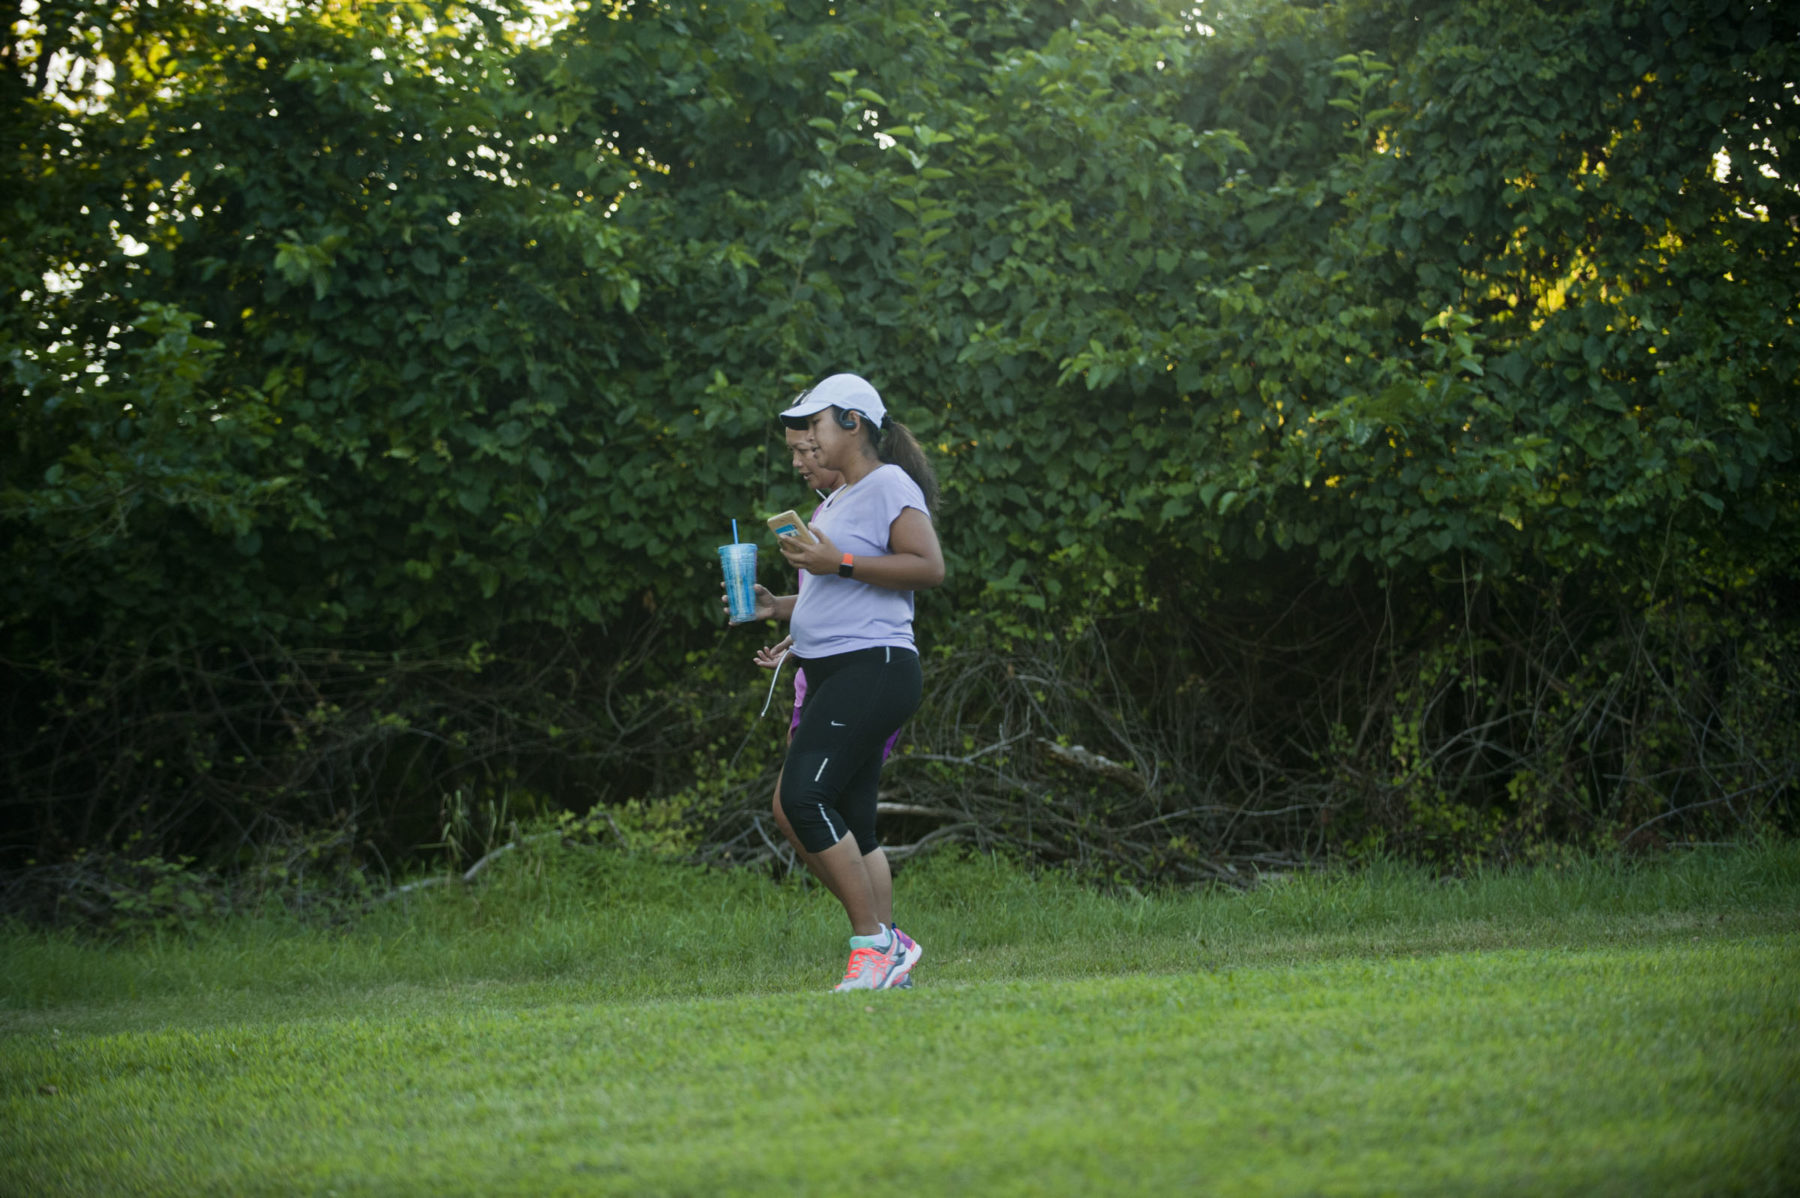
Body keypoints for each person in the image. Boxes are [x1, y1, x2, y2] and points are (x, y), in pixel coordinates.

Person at [730, 372, 944, 992]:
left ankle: (873, 945)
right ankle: (891, 946)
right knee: (849, 819)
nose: (807, 445)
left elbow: (926, 568)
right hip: (834, 670)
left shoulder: (887, 484)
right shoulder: (836, 500)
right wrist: (779, 608)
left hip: (873, 668)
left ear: (853, 423)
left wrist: (838, 561)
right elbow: (838, 596)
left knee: (800, 799)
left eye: (815, 428)